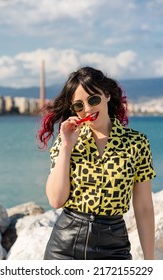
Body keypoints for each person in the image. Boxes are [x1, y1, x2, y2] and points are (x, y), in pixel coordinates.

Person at [38, 66, 156, 260]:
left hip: (114, 248)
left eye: (94, 99)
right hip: (64, 248)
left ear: (107, 95)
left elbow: (144, 208)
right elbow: (56, 200)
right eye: (79, 105)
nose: (88, 109)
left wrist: (150, 262)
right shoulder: (67, 139)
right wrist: (67, 146)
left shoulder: (137, 143)